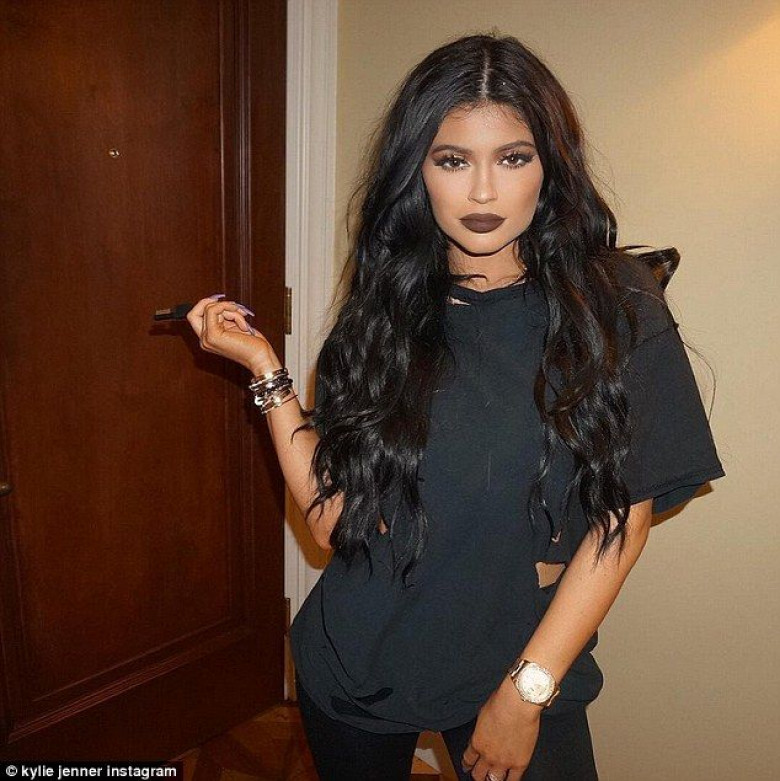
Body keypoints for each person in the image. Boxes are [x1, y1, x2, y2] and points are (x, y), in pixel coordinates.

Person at [185, 32, 725, 781]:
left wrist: (527, 693)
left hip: (522, 656)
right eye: (452, 161)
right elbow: (334, 521)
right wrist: (266, 370)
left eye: (513, 158)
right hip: (359, 663)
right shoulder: (383, 312)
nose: (482, 193)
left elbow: (619, 523)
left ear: (550, 167)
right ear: (418, 170)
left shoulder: (616, 305)